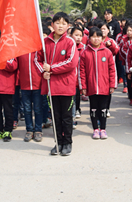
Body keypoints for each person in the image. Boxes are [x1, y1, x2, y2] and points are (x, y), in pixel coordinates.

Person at [36, 12, 79, 156]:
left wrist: (51, 68)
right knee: (55, 117)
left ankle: (67, 143)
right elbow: (37, 60)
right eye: (58, 23)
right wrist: (43, 72)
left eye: (64, 23)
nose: (60, 26)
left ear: (68, 26)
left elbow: (71, 63)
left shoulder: (70, 42)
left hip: (66, 87)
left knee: (66, 117)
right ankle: (58, 142)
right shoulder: (45, 42)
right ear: (52, 24)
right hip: (50, 87)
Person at [79, 27, 117, 140]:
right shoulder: (85, 53)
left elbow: (112, 69)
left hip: (104, 87)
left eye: (98, 37)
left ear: (102, 38)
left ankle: (103, 129)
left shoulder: (107, 52)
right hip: (91, 87)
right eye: (93, 37)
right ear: (89, 38)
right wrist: (83, 87)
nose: (96, 39)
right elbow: (82, 71)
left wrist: (112, 85)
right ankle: (95, 129)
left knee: (104, 108)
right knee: (93, 108)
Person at [17, 51, 43, 142]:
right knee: (27, 109)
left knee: (38, 109)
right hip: (25, 85)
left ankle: (38, 130)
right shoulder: (20, 52)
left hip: (37, 85)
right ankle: (29, 130)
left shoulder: (38, 51)